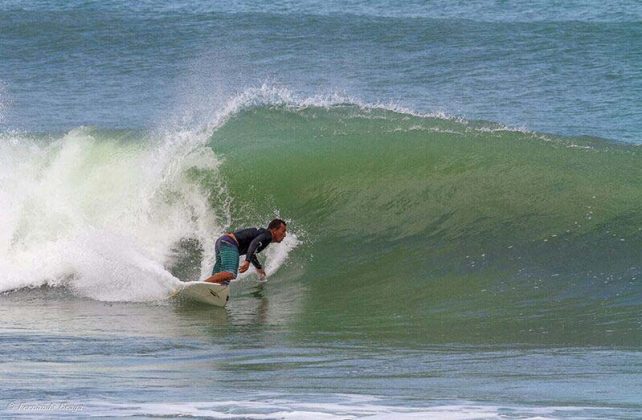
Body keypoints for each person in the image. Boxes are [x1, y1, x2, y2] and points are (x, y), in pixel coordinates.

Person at [204, 219, 287, 284]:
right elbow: (254, 243)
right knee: (230, 273)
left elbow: (251, 250)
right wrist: (247, 261)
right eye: (283, 231)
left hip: (222, 242)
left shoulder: (263, 234)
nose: (285, 234)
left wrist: (259, 268)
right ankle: (203, 284)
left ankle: (209, 289)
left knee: (222, 279)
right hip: (229, 243)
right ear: (274, 230)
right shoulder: (268, 235)